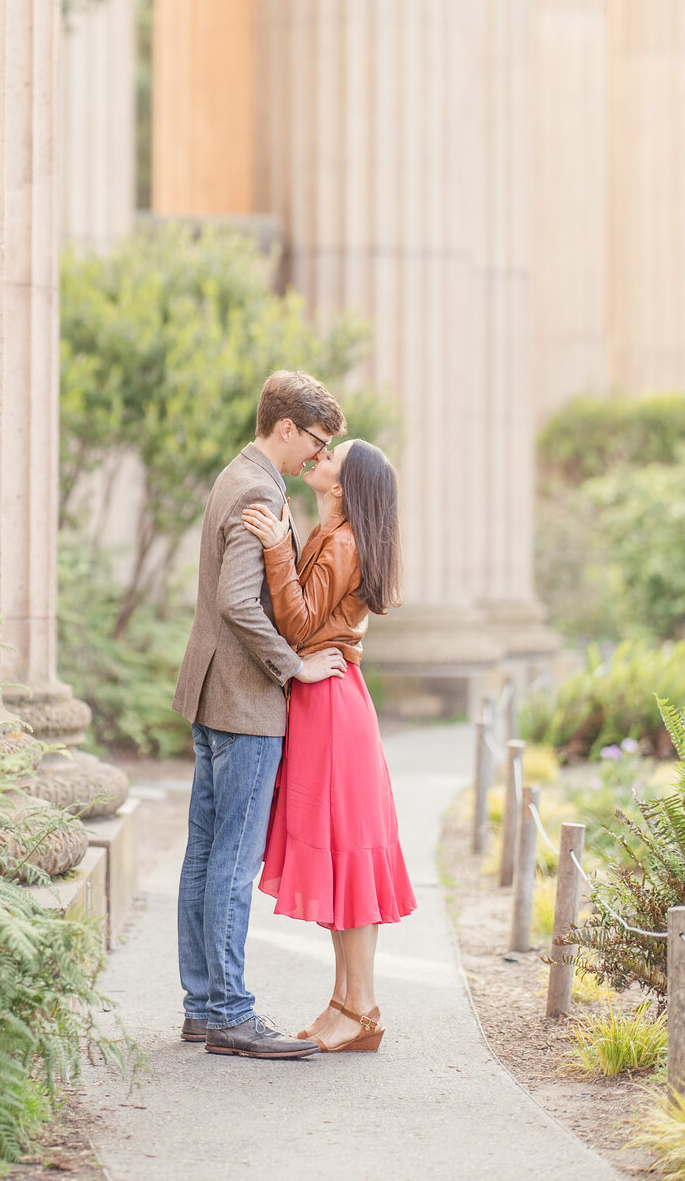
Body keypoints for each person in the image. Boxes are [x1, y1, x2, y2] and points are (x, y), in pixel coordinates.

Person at [173, 370, 349, 1060]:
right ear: (286, 428)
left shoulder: (238, 473)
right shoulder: (258, 487)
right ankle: (229, 1014)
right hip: (244, 701)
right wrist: (295, 666)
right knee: (232, 860)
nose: (318, 454)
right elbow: (239, 604)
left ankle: (201, 1005)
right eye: (316, 440)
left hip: (213, 693)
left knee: (204, 855)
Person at [242, 436, 416, 1054]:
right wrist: (286, 542)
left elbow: (296, 622)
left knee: (348, 853)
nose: (320, 457)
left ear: (343, 487)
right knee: (341, 857)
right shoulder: (331, 534)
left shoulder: (342, 543)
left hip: (332, 705)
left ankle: (363, 1008)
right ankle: (345, 1001)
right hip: (326, 701)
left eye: (332, 456)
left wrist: (272, 549)